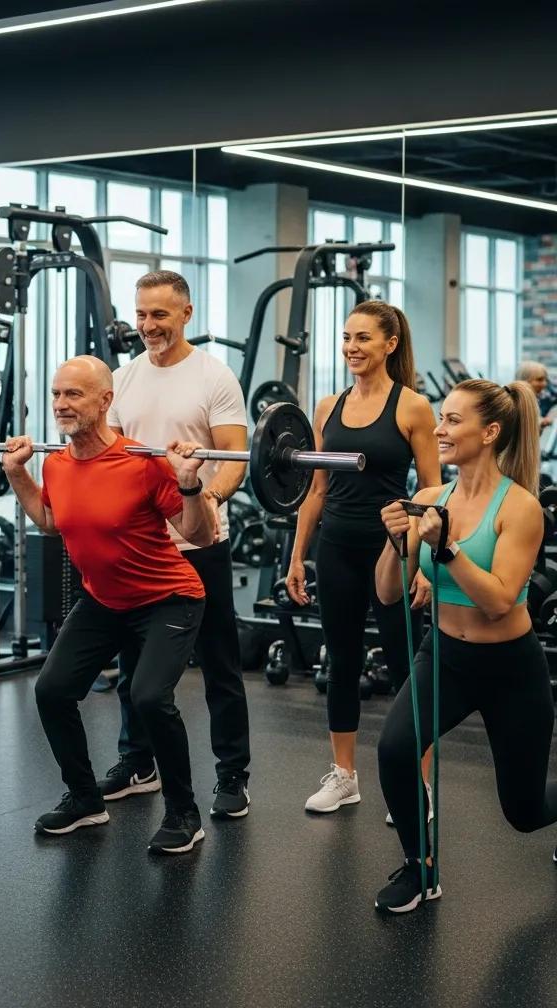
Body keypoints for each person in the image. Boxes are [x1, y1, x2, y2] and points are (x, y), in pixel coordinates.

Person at [1, 355, 215, 855]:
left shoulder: (142, 463)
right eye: (57, 394)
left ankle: (185, 814)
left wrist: (188, 482)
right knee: (52, 691)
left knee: (147, 697)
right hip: (104, 600)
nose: (61, 405)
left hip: (169, 598)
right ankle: (84, 798)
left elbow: (198, 535)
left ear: (105, 400)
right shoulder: (55, 462)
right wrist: (17, 475)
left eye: (73, 394)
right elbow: (52, 521)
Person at [374, 378, 557, 912]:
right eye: (441, 418)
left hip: (510, 668)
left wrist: (447, 549)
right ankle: (420, 867)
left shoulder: (520, 508)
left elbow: (500, 600)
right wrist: (395, 542)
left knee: (523, 812)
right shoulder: (430, 499)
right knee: (394, 749)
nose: (439, 429)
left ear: (490, 431)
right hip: (445, 656)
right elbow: (387, 592)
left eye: (453, 420)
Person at [96, 270, 252, 819]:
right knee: (134, 660)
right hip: (141, 546)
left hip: (201, 539)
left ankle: (233, 773)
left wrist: (205, 499)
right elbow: (110, 458)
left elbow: (236, 456)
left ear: (187, 314)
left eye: (159, 315)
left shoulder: (213, 376)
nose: (147, 326)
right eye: (141, 314)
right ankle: (138, 761)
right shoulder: (124, 377)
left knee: (218, 663)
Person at [287, 301, 440, 813]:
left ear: (390, 344)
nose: (352, 347)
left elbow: (434, 488)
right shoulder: (328, 406)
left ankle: (417, 783)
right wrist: (297, 556)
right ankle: (344, 775)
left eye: (364, 339)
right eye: (347, 338)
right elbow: (316, 490)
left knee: (404, 665)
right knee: (342, 659)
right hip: (337, 548)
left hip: (392, 551)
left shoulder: (412, 407)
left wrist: (420, 558)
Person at [516, 360, 554, 429]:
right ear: (524, 380)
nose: (544, 384)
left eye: (545, 380)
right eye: (539, 380)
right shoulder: (517, 403)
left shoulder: (533, 400)